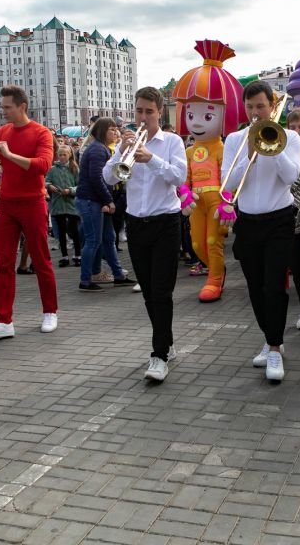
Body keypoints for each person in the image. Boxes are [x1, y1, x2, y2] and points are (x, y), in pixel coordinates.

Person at [104, 87, 187, 381]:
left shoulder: (172, 142)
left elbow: (179, 177)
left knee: (162, 292)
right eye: (139, 111)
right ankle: (167, 341)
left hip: (166, 222)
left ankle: (159, 354)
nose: (143, 117)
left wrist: (150, 158)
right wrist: (121, 153)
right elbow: (108, 177)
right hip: (136, 223)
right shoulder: (126, 142)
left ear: (159, 112)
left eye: (148, 112)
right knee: (150, 293)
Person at [220, 82, 300, 382]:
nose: (255, 113)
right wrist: (249, 153)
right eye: (250, 107)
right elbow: (227, 184)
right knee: (255, 287)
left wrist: (272, 148)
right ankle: (269, 340)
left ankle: (276, 348)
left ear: (272, 106)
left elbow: (291, 176)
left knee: (273, 286)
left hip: (279, 219)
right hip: (248, 221)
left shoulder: (289, 137)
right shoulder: (235, 140)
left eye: (261, 107)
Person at [0, 85, 58, 339]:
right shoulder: (2, 131)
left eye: (7, 107)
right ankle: (3, 321)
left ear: (22, 106)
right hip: (7, 204)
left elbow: (43, 166)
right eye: (2, 107)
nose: (3, 112)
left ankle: (50, 312)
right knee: (5, 263)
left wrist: (10, 154)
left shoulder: (41, 132)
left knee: (41, 260)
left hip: (32, 202)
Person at [75, 118, 131, 292]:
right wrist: (108, 200)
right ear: (101, 131)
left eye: (116, 129)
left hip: (96, 200)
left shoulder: (101, 148)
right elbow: (97, 178)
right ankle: (85, 280)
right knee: (93, 241)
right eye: (112, 130)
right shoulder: (98, 150)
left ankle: (119, 275)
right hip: (91, 200)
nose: (116, 133)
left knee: (109, 238)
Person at [46, 144, 81, 267]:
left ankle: (78, 254)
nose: (62, 157)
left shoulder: (75, 168)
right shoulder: (53, 169)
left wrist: (70, 190)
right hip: (58, 203)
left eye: (64, 154)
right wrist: (49, 186)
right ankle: (64, 256)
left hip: (71, 203)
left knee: (74, 230)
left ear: (70, 155)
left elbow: (80, 185)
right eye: (60, 154)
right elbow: (46, 180)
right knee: (61, 231)